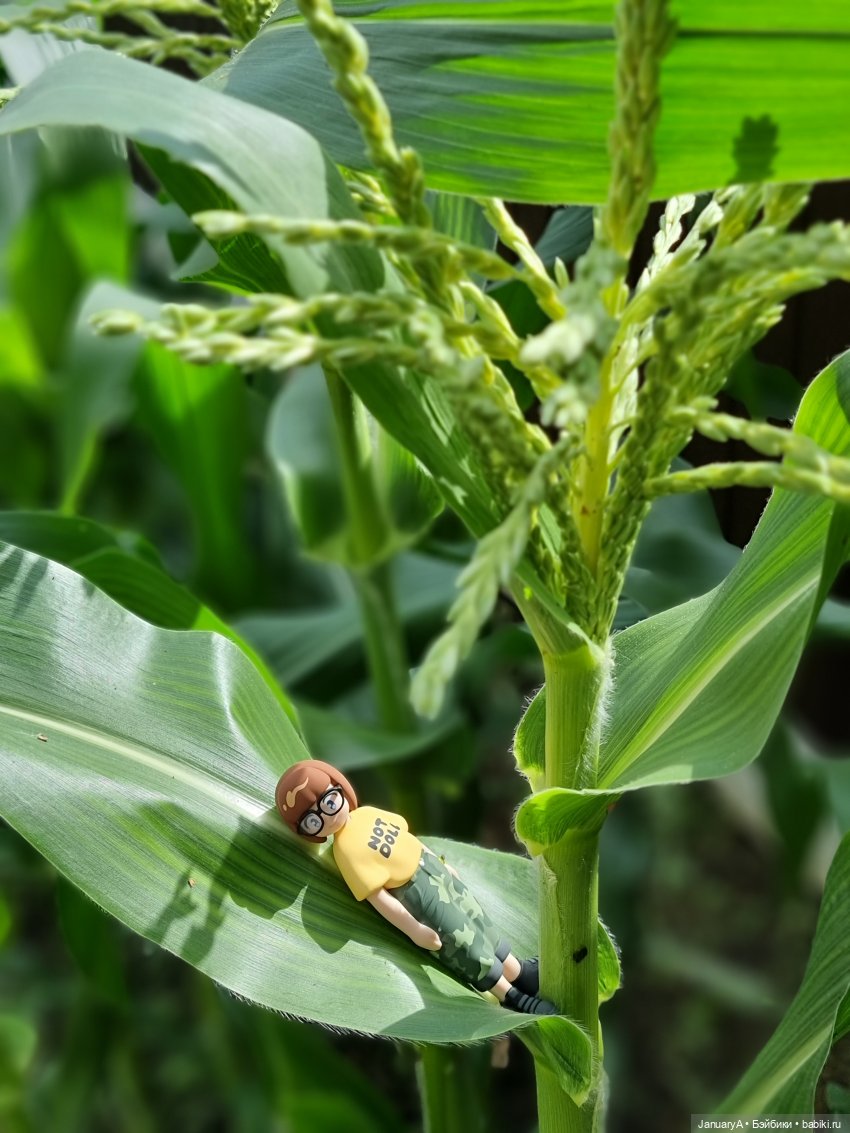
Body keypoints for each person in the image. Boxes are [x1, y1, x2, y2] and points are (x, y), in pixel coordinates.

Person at [276, 759, 557, 1016]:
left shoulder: (367, 814)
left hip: (431, 870)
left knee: (479, 921)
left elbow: (407, 837)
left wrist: (440, 863)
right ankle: (513, 996)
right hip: (416, 893)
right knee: (465, 945)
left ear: (339, 788)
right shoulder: (345, 852)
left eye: (328, 801)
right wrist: (413, 929)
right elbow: (378, 898)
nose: (327, 817)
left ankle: (519, 971)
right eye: (314, 821)